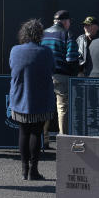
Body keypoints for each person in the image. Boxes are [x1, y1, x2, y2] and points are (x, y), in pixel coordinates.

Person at [8, 19, 55, 181]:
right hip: (40, 99)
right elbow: (52, 69)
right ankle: (33, 170)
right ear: (40, 34)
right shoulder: (46, 52)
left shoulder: (15, 50)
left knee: (23, 131)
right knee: (36, 132)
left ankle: (24, 169)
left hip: (20, 97)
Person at [39, 10, 78, 138]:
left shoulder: (43, 34)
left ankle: (43, 139)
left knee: (45, 107)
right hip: (61, 75)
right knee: (62, 108)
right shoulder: (67, 34)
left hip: (44, 76)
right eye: (69, 22)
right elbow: (71, 58)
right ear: (66, 21)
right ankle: (63, 140)